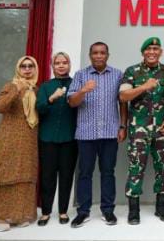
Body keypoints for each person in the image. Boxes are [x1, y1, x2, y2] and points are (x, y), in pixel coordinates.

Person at [119, 36, 164, 224]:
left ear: (161, 52)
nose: (152, 52)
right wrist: (144, 86)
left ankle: (161, 207)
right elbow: (123, 96)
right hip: (139, 129)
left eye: (155, 49)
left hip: (162, 129)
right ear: (143, 52)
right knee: (136, 168)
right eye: (148, 49)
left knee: (163, 168)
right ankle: (133, 210)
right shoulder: (132, 72)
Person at [67, 42, 123, 228]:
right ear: (90, 55)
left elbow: (123, 102)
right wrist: (83, 90)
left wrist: (123, 126)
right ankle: (83, 211)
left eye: (102, 53)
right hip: (86, 134)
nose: (99, 56)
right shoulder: (80, 75)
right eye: (95, 53)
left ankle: (108, 210)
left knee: (108, 172)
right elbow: (72, 102)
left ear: (108, 55)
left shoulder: (117, 74)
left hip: (109, 132)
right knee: (85, 173)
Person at [0, 56, 39, 231]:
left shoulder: (36, 89)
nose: (27, 69)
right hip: (9, 137)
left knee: (24, 176)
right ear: (18, 69)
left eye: (31, 66)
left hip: (29, 139)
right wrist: (17, 89)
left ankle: (19, 215)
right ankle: (0, 216)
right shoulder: (11, 86)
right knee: (5, 173)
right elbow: (0, 107)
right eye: (23, 66)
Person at [36, 52, 78, 226]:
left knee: (67, 176)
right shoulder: (46, 86)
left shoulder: (76, 84)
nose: (61, 65)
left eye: (64, 62)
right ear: (52, 66)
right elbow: (40, 108)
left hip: (70, 139)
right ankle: (46, 212)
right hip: (48, 138)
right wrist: (52, 98)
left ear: (69, 65)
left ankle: (63, 211)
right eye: (57, 63)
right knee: (47, 176)